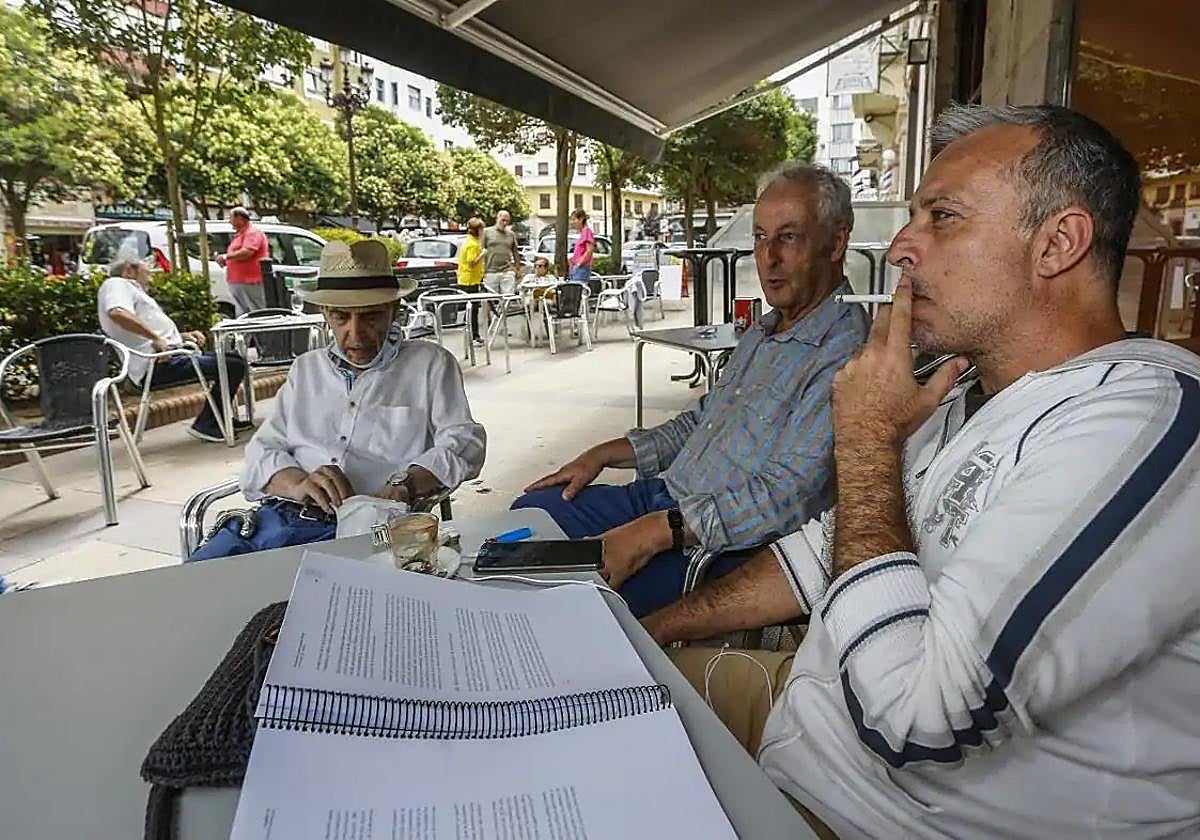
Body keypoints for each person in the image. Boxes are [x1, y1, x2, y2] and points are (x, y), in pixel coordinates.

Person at [646, 104, 1200, 839]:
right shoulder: (962, 394)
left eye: (942, 217)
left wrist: (867, 438)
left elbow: (921, 720)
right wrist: (652, 628)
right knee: (584, 689)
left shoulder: (1143, 419)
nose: (903, 248)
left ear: (1057, 243)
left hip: (866, 813)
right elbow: (821, 555)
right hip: (804, 721)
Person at [513, 163, 869, 617]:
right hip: (664, 498)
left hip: (711, 546)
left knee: (581, 606)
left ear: (836, 243)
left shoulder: (845, 353)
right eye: (760, 238)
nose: (768, 257)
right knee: (530, 519)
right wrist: (603, 454)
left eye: (790, 237)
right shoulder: (765, 328)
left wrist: (655, 532)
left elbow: (789, 497)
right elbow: (702, 419)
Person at [190, 239, 486, 561]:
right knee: (186, 590)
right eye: (341, 317)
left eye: (371, 317)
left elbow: (465, 442)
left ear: (394, 311)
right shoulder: (306, 370)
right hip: (276, 520)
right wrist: (300, 484)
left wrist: (405, 483)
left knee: (302, 604)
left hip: (371, 532)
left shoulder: (429, 364)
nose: (355, 334)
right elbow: (262, 451)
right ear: (326, 313)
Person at [98, 258, 248, 444]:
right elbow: (117, 312)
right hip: (157, 365)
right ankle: (208, 424)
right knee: (232, 365)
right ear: (129, 271)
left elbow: (147, 330)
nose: (151, 273)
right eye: (147, 269)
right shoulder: (116, 284)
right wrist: (156, 338)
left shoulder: (133, 290)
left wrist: (182, 337)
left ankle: (219, 418)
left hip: (168, 358)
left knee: (233, 359)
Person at [216, 207, 270, 315]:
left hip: (250, 281)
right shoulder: (241, 234)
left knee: (256, 311)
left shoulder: (252, 233)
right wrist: (227, 261)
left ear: (240, 218)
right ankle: (247, 332)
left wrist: (226, 257)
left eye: (231, 217)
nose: (229, 221)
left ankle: (258, 331)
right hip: (238, 281)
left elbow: (247, 253)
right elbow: (238, 255)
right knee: (243, 312)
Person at [457, 217, 486, 344]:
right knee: (473, 309)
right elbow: (471, 263)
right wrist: (483, 254)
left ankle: (470, 333)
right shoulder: (472, 245)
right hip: (469, 280)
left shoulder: (470, 241)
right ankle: (473, 335)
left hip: (469, 279)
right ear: (478, 230)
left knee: (472, 308)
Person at [481, 210, 520, 296]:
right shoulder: (486, 232)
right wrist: (482, 270)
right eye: (503, 220)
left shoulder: (511, 234)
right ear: (497, 218)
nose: (505, 223)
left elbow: (515, 252)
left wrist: (517, 269)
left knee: (508, 297)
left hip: (507, 271)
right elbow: (481, 250)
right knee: (489, 299)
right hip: (490, 271)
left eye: (507, 221)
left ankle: (504, 310)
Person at [567, 208, 595, 283]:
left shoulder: (587, 231)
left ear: (581, 219)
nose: (572, 222)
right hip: (577, 268)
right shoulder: (583, 233)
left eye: (574, 219)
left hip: (581, 268)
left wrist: (579, 264)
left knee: (577, 290)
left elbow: (589, 250)